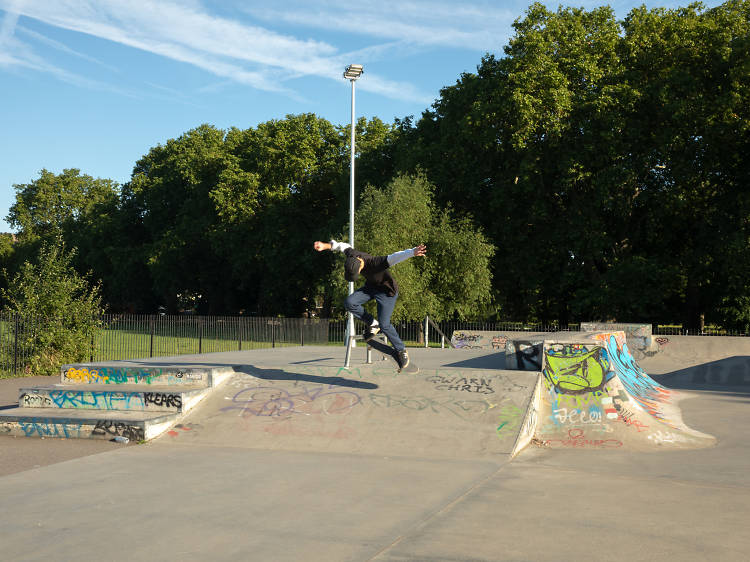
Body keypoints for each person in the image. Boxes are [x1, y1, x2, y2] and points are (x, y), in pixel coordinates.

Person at [313, 239, 427, 368]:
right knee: (350, 302)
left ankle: (401, 350)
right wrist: (324, 246)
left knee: (385, 325)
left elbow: (395, 257)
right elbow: (341, 246)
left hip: (387, 292)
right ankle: (373, 323)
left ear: (360, 265)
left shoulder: (376, 262)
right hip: (370, 288)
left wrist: (412, 252)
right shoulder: (352, 255)